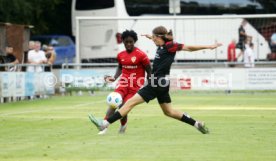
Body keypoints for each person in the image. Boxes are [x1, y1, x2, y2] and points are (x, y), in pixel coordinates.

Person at [88, 26, 222, 134]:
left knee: (129, 103)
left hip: (157, 82)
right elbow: (158, 38)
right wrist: (149, 36)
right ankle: (197, 124)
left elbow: (189, 48)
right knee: (169, 112)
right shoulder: (162, 45)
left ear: (160, 37)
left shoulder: (170, 46)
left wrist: (209, 46)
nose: (153, 40)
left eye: (154, 38)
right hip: (163, 83)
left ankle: (104, 124)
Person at [98, 30, 151, 135]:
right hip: (123, 83)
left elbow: (149, 70)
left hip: (135, 86)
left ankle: (123, 125)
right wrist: (114, 77)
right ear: (123, 41)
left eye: (131, 42)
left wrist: (149, 84)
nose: (129, 44)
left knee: (123, 106)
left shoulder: (141, 55)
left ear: (134, 41)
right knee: (114, 102)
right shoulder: (120, 55)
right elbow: (120, 67)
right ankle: (104, 126)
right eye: (126, 42)